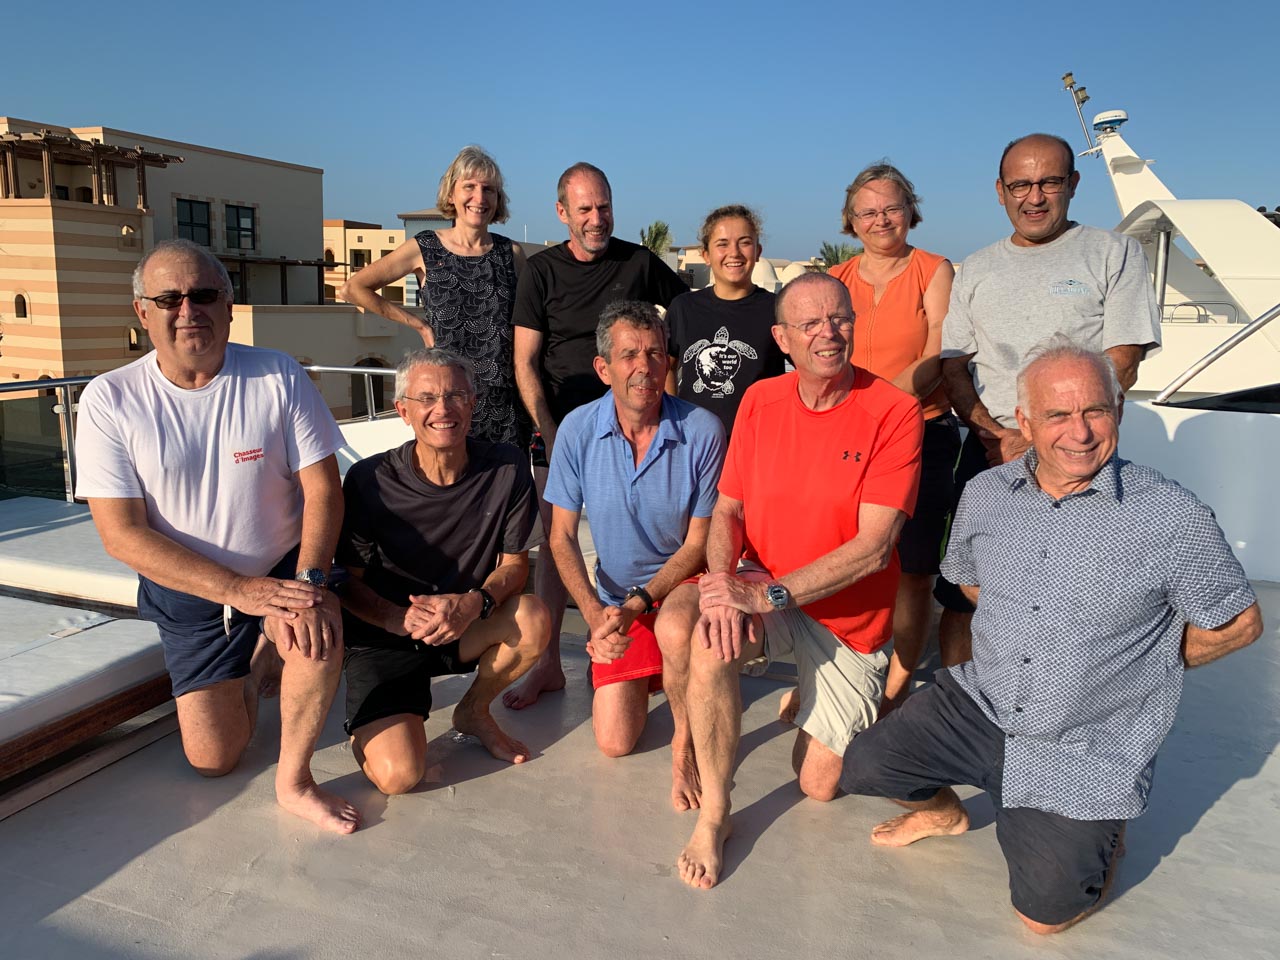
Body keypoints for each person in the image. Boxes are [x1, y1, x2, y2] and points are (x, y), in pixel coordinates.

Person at [841, 338, 1262, 935]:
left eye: (1095, 411)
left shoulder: (1170, 514)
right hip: (982, 702)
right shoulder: (987, 496)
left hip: (1083, 742)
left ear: (1118, 413)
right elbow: (968, 587)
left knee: (1044, 920)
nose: (1080, 432)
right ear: (1025, 422)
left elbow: (1240, 622)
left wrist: (1148, 663)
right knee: (865, 764)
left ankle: (1106, 831)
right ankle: (943, 814)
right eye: (1058, 414)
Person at [75, 238, 360, 834]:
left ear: (229, 306)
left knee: (317, 624)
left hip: (282, 567)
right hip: (192, 594)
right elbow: (122, 536)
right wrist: (238, 592)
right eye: (170, 298)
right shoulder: (110, 400)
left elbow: (324, 491)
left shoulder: (277, 375)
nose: (188, 310)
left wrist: (305, 581)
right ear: (142, 312)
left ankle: (295, 780)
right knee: (214, 760)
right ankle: (257, 661)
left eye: (204, 295)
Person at [657, 273, 923, 888]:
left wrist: (764, 594)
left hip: (847, 620)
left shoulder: (895, 412)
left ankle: (823, 693)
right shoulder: (760, 400)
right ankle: (716, 813)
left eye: (839, 319)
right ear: (782, 338)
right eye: (810, 324)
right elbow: (728, 509)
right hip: (766, 585)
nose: (828, 333)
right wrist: (723, 586)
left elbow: (873, 548)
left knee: (818, 784)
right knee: (701, 636)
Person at [936, 132, 1161, 666]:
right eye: (1020, 185)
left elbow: (1121, 363)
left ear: (1073, 184)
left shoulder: (1114, 253)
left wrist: (1043, 441)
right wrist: (998, 436)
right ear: (999, 191)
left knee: (1076, 600)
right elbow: (954, 367)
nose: (1033, 197)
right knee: (965, 597)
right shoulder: (976, 269)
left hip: (1078, 456)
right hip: (990, 454)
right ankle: (960, 718)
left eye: (1049, 182)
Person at [505, 162, 688, 709]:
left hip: (641, 423)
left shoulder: (638, 261)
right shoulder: (540, 272)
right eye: (584, 208)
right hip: (564, 428)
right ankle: (547, 667)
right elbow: (525, 362)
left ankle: (658, 637)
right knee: (553, 540)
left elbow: (687, 316)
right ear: (562, 213)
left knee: (663, 532)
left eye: (603, 206)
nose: (596, 218)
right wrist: (550, 432)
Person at [335, 349, 550, 793]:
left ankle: (473, 711)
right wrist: (399, 618)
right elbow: (347, 584)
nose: (443, 409)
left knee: (533, 616)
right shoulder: (367, 480)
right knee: (399, 778)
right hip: (385, 637)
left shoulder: (507, 467)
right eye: (427, 397)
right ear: (403, 411)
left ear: (473, 403)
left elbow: (514, 567)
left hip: (460, 623)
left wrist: (474, 603)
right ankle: (373, 725)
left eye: (455, 395)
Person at [544, 301, 724, 757]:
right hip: (615, 603)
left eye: (655, 354)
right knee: (614, 743)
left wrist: (641, 602)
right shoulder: (577, 429)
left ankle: (681, 719)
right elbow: (561, 536)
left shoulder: (703, 430)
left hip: (682, 589)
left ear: (668, 361)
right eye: (629, 355)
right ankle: (657, 671)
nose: (644, 368)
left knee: (677, 630)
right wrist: (593, 617)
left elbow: (700, 543)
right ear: (603, 368)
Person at [828, 163, 959, 713]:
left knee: (911, 570)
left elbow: (937, 350)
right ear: (851, 222)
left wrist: (883, 406)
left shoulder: (934, 270)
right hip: (847, 437)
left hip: (922, 432)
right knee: (842, 563)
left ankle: (895, 687)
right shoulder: (838, 280)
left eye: (891, 207)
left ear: (910, 211)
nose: (881, 219)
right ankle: (834, 676)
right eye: (868, 211)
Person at [339, 146, 527, 446]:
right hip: (447, 405)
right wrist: (419, 326)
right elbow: (354, 288)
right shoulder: (425, 247)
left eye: (488, 189)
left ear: (497, 199)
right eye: (469, 187)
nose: (479, 198)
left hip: (505, 405)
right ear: (451, 194)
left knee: (505, 487)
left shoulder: (511, 253)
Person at [665, 204, 785, 437]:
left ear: (758, 251)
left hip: (758, 440)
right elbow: (666, 366)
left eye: (745, 242)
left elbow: (805, 369)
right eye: (722, 244)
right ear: (706, 255)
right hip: (696, 442)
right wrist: (673, 416)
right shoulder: (684, 307)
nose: (735, 252)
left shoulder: (778, 309)